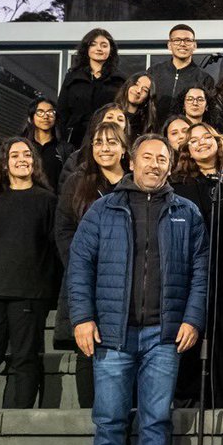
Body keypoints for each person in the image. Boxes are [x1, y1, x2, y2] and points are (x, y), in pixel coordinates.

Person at [67, 134, 208, 445]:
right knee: (110, 420)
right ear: (131, 162)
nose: (154, 164)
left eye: (162, 159)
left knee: (156, 419)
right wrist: (82, 318)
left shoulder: (187, 213)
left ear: (170, 166)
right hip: (113, 334)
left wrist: (192, 319)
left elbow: (200, 272)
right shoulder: (102, 209)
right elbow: (80, 265)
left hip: (164, 335)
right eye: (147, 157)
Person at [0, 137, 59, 409]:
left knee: (25, 359)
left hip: (29, 294)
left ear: (34, 162)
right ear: (5, 164)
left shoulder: (47, 200)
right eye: (15, 155)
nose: (22, 159)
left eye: (27, 154)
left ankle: (21, 420)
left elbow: (53, 249)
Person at [171, 122, 223, 408]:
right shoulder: (177, 186)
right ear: (187, 150)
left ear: (219, 142)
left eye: (207, 137)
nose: (201, 142)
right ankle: (189, 392)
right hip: (192, 269)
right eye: (194, 140)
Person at [55, 120, 129, 408]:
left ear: (124, 149)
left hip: (127, 282)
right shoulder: (77, 181)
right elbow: (62, 229)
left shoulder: (135, 184)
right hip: (87, 278)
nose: (104, 148)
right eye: (98, 143)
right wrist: (83, 263)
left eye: (111, 142)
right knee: (88, 351)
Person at [58, 28, 126, 149]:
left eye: (104, 45)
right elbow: (62, 111)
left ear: (111, 51)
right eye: (93, 44)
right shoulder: (72, 77)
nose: (99, 48)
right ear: (87, 49)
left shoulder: (120, 80)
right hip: (76, 139)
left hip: (109, 137)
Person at [146, 24, 213, 126]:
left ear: (195, 45)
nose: (182, 44)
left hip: (185, 134)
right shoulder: (154, 72)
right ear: (169, 45)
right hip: (153, 132)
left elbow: (208, 115)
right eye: (177, 40)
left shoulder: (204, 78)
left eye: (188, 40)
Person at [115, 72, 155, 140]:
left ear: (147, 98)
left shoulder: (146, 125)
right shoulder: (110, 112)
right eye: (136, 84)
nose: (138, 90)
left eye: (145, 90)